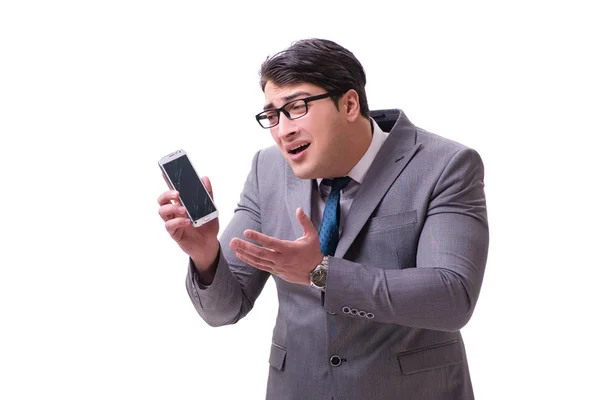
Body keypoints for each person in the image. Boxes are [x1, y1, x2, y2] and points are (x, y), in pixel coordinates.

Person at [157, 38, 489, 399]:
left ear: (349, 104)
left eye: (297, 107)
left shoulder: (443, 166)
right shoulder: (267, 169)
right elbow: (225, 309)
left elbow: (451, 297)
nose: (283, 130)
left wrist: (321, 273)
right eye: (272, 115)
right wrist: (206, 254)